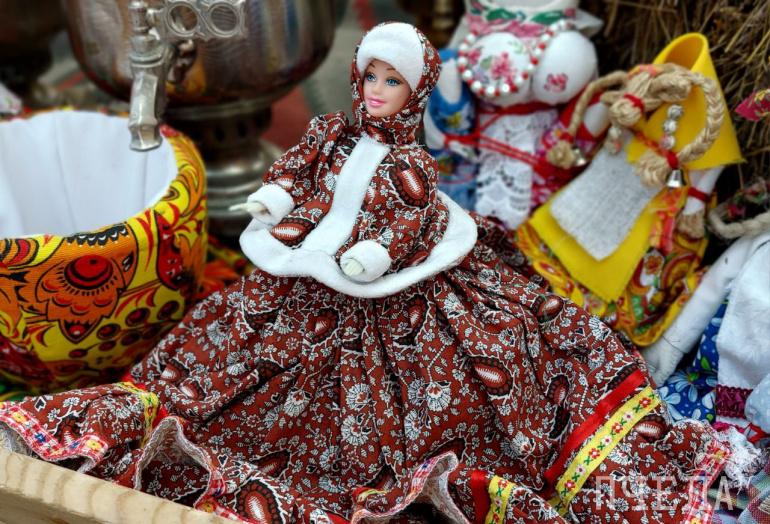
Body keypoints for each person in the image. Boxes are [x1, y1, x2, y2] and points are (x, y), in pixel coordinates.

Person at [0, 23, 727, 523]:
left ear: (416, 90)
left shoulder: (412, 164)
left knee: (436, 367)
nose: (377, 89)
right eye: (371, 75)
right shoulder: (329, 132)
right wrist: (276, 197)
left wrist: (377, 254)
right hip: (305, 261)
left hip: (382, 276)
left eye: (392, 79)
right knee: (238, 352)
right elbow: (298, 169)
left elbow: (411, 220)